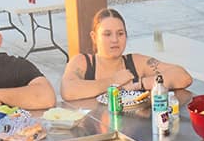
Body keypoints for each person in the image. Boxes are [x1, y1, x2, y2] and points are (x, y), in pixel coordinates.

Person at [58, 7, 192, 102]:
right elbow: (67, 90)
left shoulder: (136, 62)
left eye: (120, 33)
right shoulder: (83, 63)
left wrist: (140, 83)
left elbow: (183, 77)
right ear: (94, 37)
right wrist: (113, 82)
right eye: (107, 34)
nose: (115, 40)